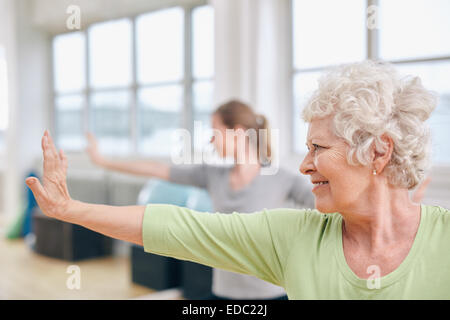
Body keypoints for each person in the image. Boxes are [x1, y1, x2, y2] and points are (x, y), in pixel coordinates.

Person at [26, 60, 450, 299]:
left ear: (379, 151)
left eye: (318, 149)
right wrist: (71, 208)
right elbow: (180, 226)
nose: (305, 164)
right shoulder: (292, 237)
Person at [85, 100, 315, 300]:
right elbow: (157, 169)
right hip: (223, 291)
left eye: (215, 131)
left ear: (237, 131)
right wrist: (103, 162)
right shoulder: (212, 175)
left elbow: (326, 208)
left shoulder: (283, 179)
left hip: (271, 294)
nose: (211, 141)